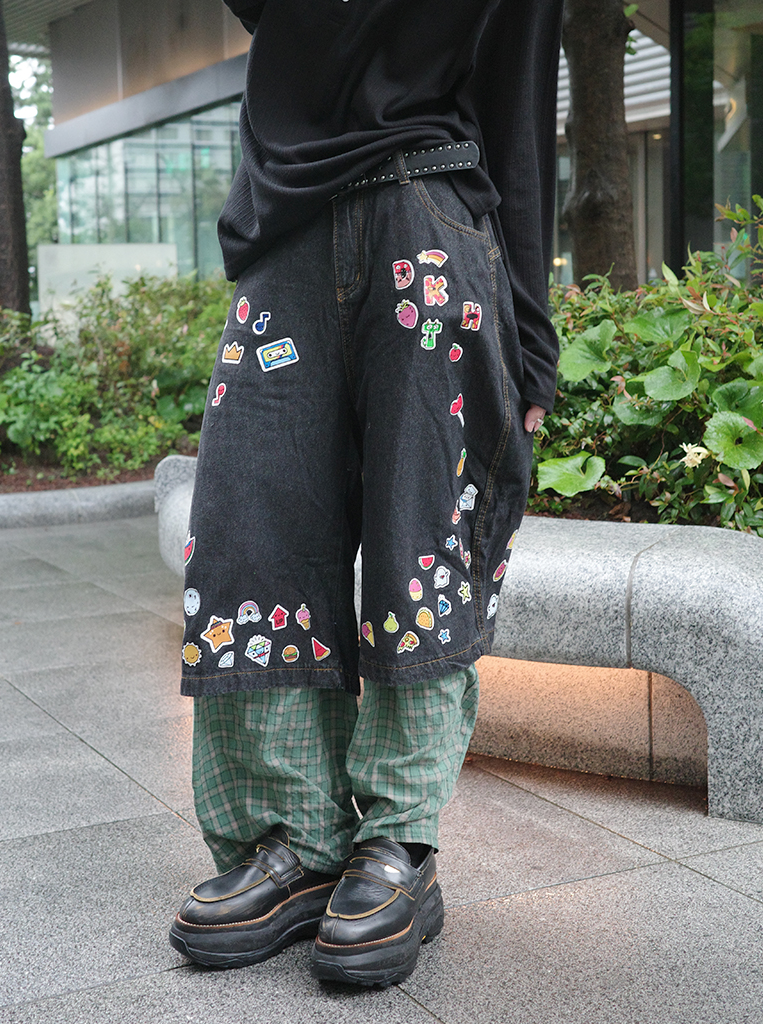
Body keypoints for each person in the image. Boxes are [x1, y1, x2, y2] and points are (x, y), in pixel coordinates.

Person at [170, 0, 563, 988]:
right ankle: (295, 837)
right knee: (248, 535)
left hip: (428, 209)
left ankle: (399, 841)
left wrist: (530, 335)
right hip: (287, 230)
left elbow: (517, 95)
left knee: (416, 541)